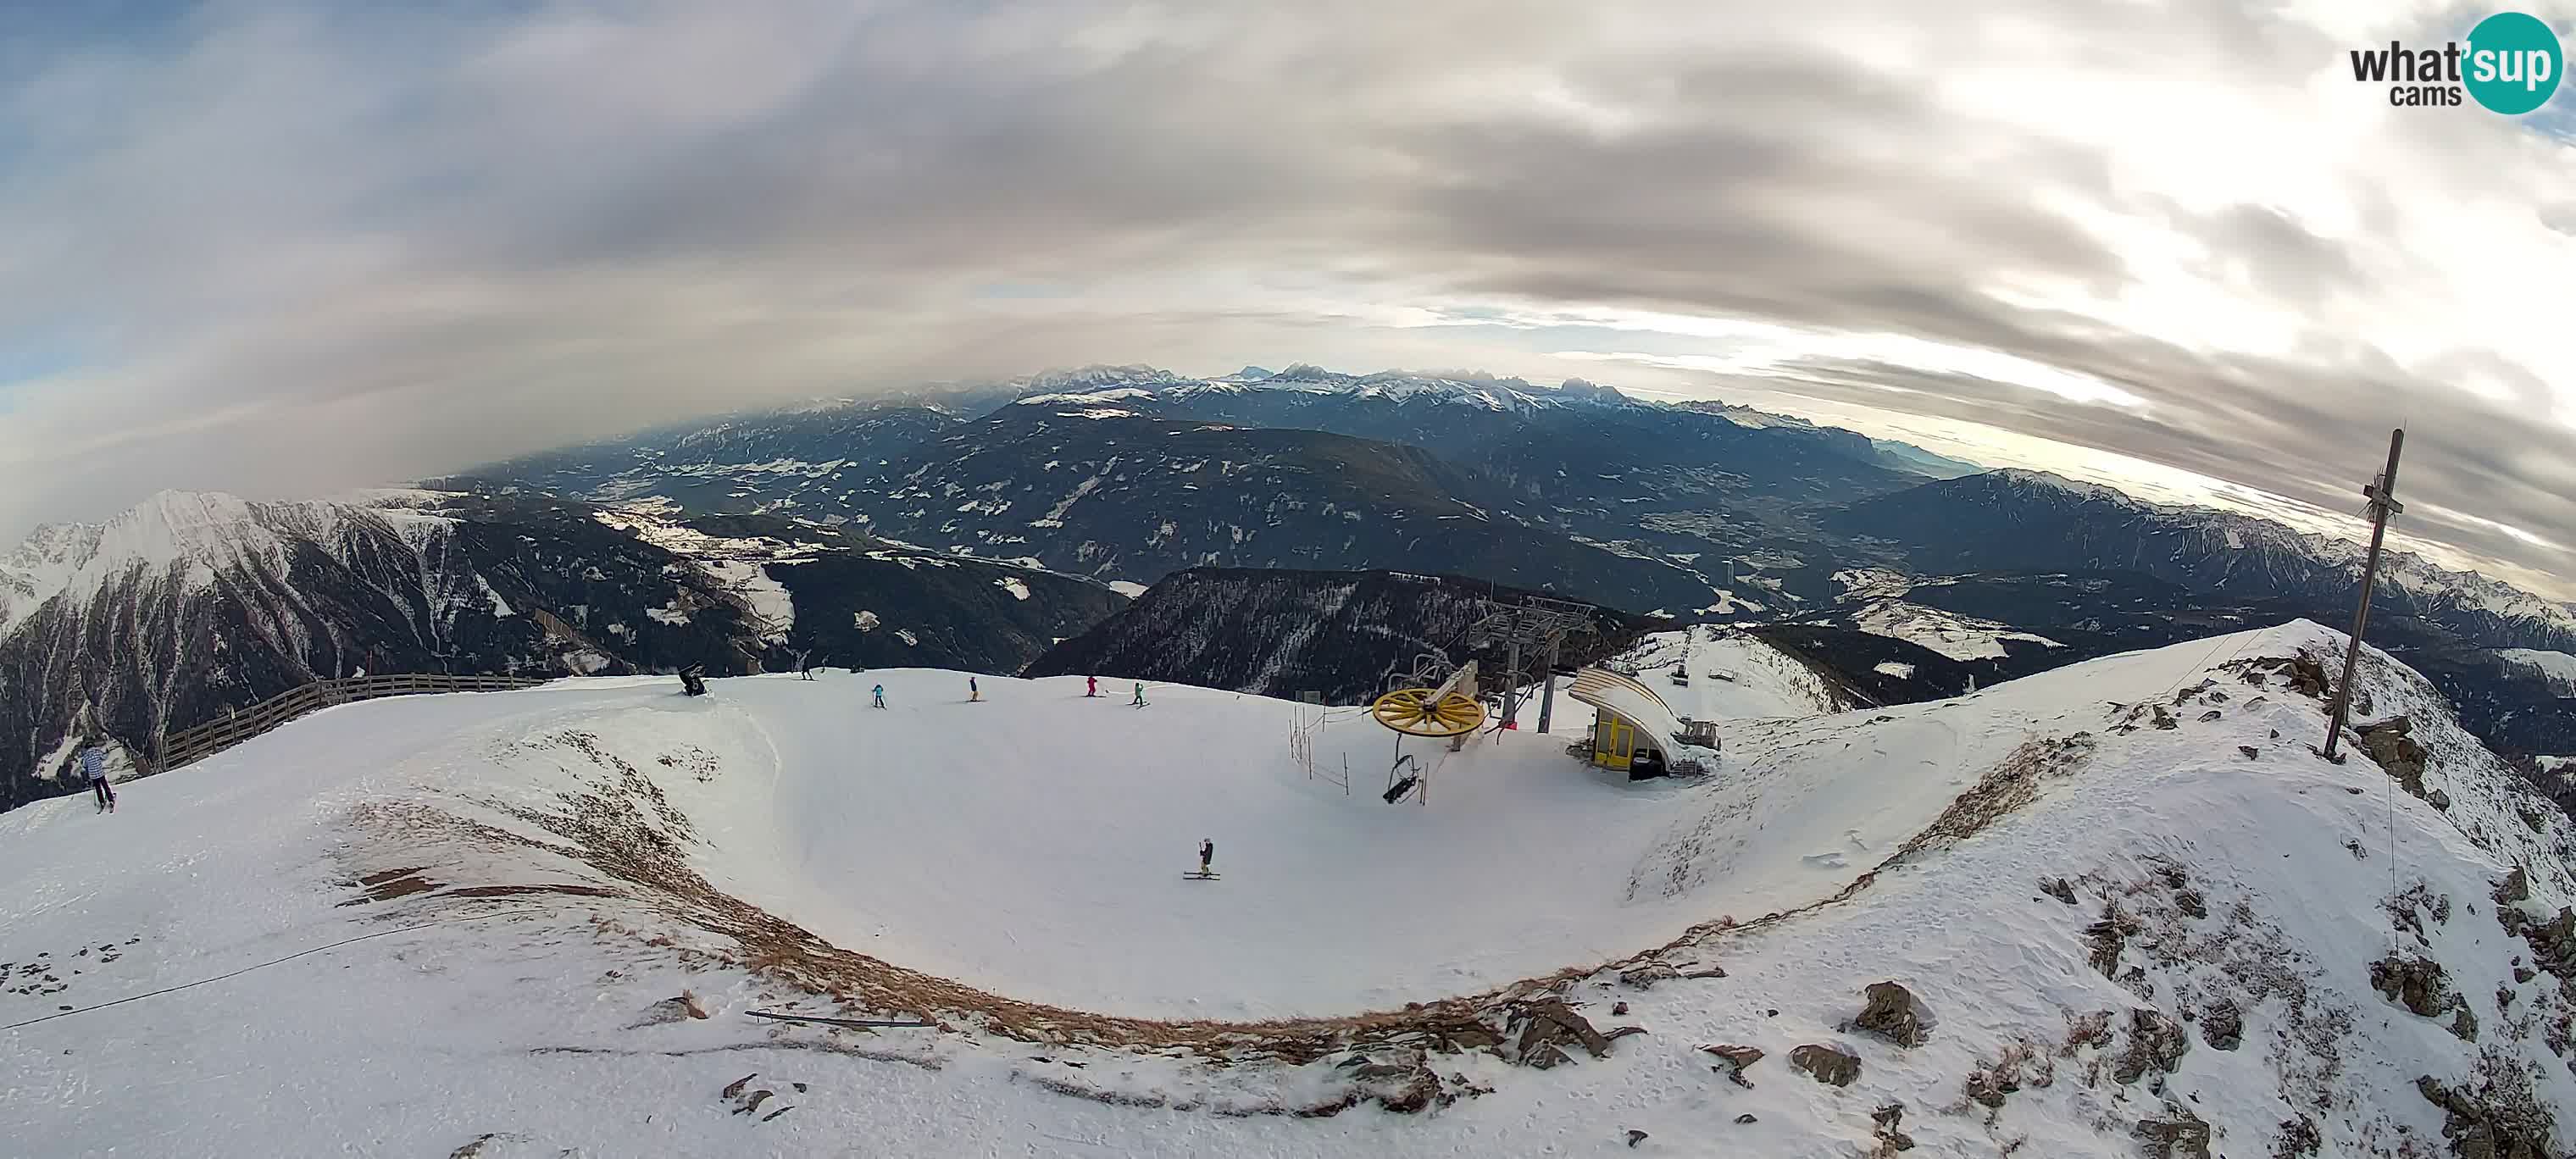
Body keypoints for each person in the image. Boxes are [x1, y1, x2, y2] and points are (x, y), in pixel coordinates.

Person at [81, 744, 114, 812]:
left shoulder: (86, 757)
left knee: (98, 789)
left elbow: (84, 765)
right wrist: (108, 753)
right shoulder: (97, 752)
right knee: (106, 786)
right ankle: (111, 800)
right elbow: (104, 757)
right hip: (100, 773)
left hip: (93, 776)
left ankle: (101, 802)